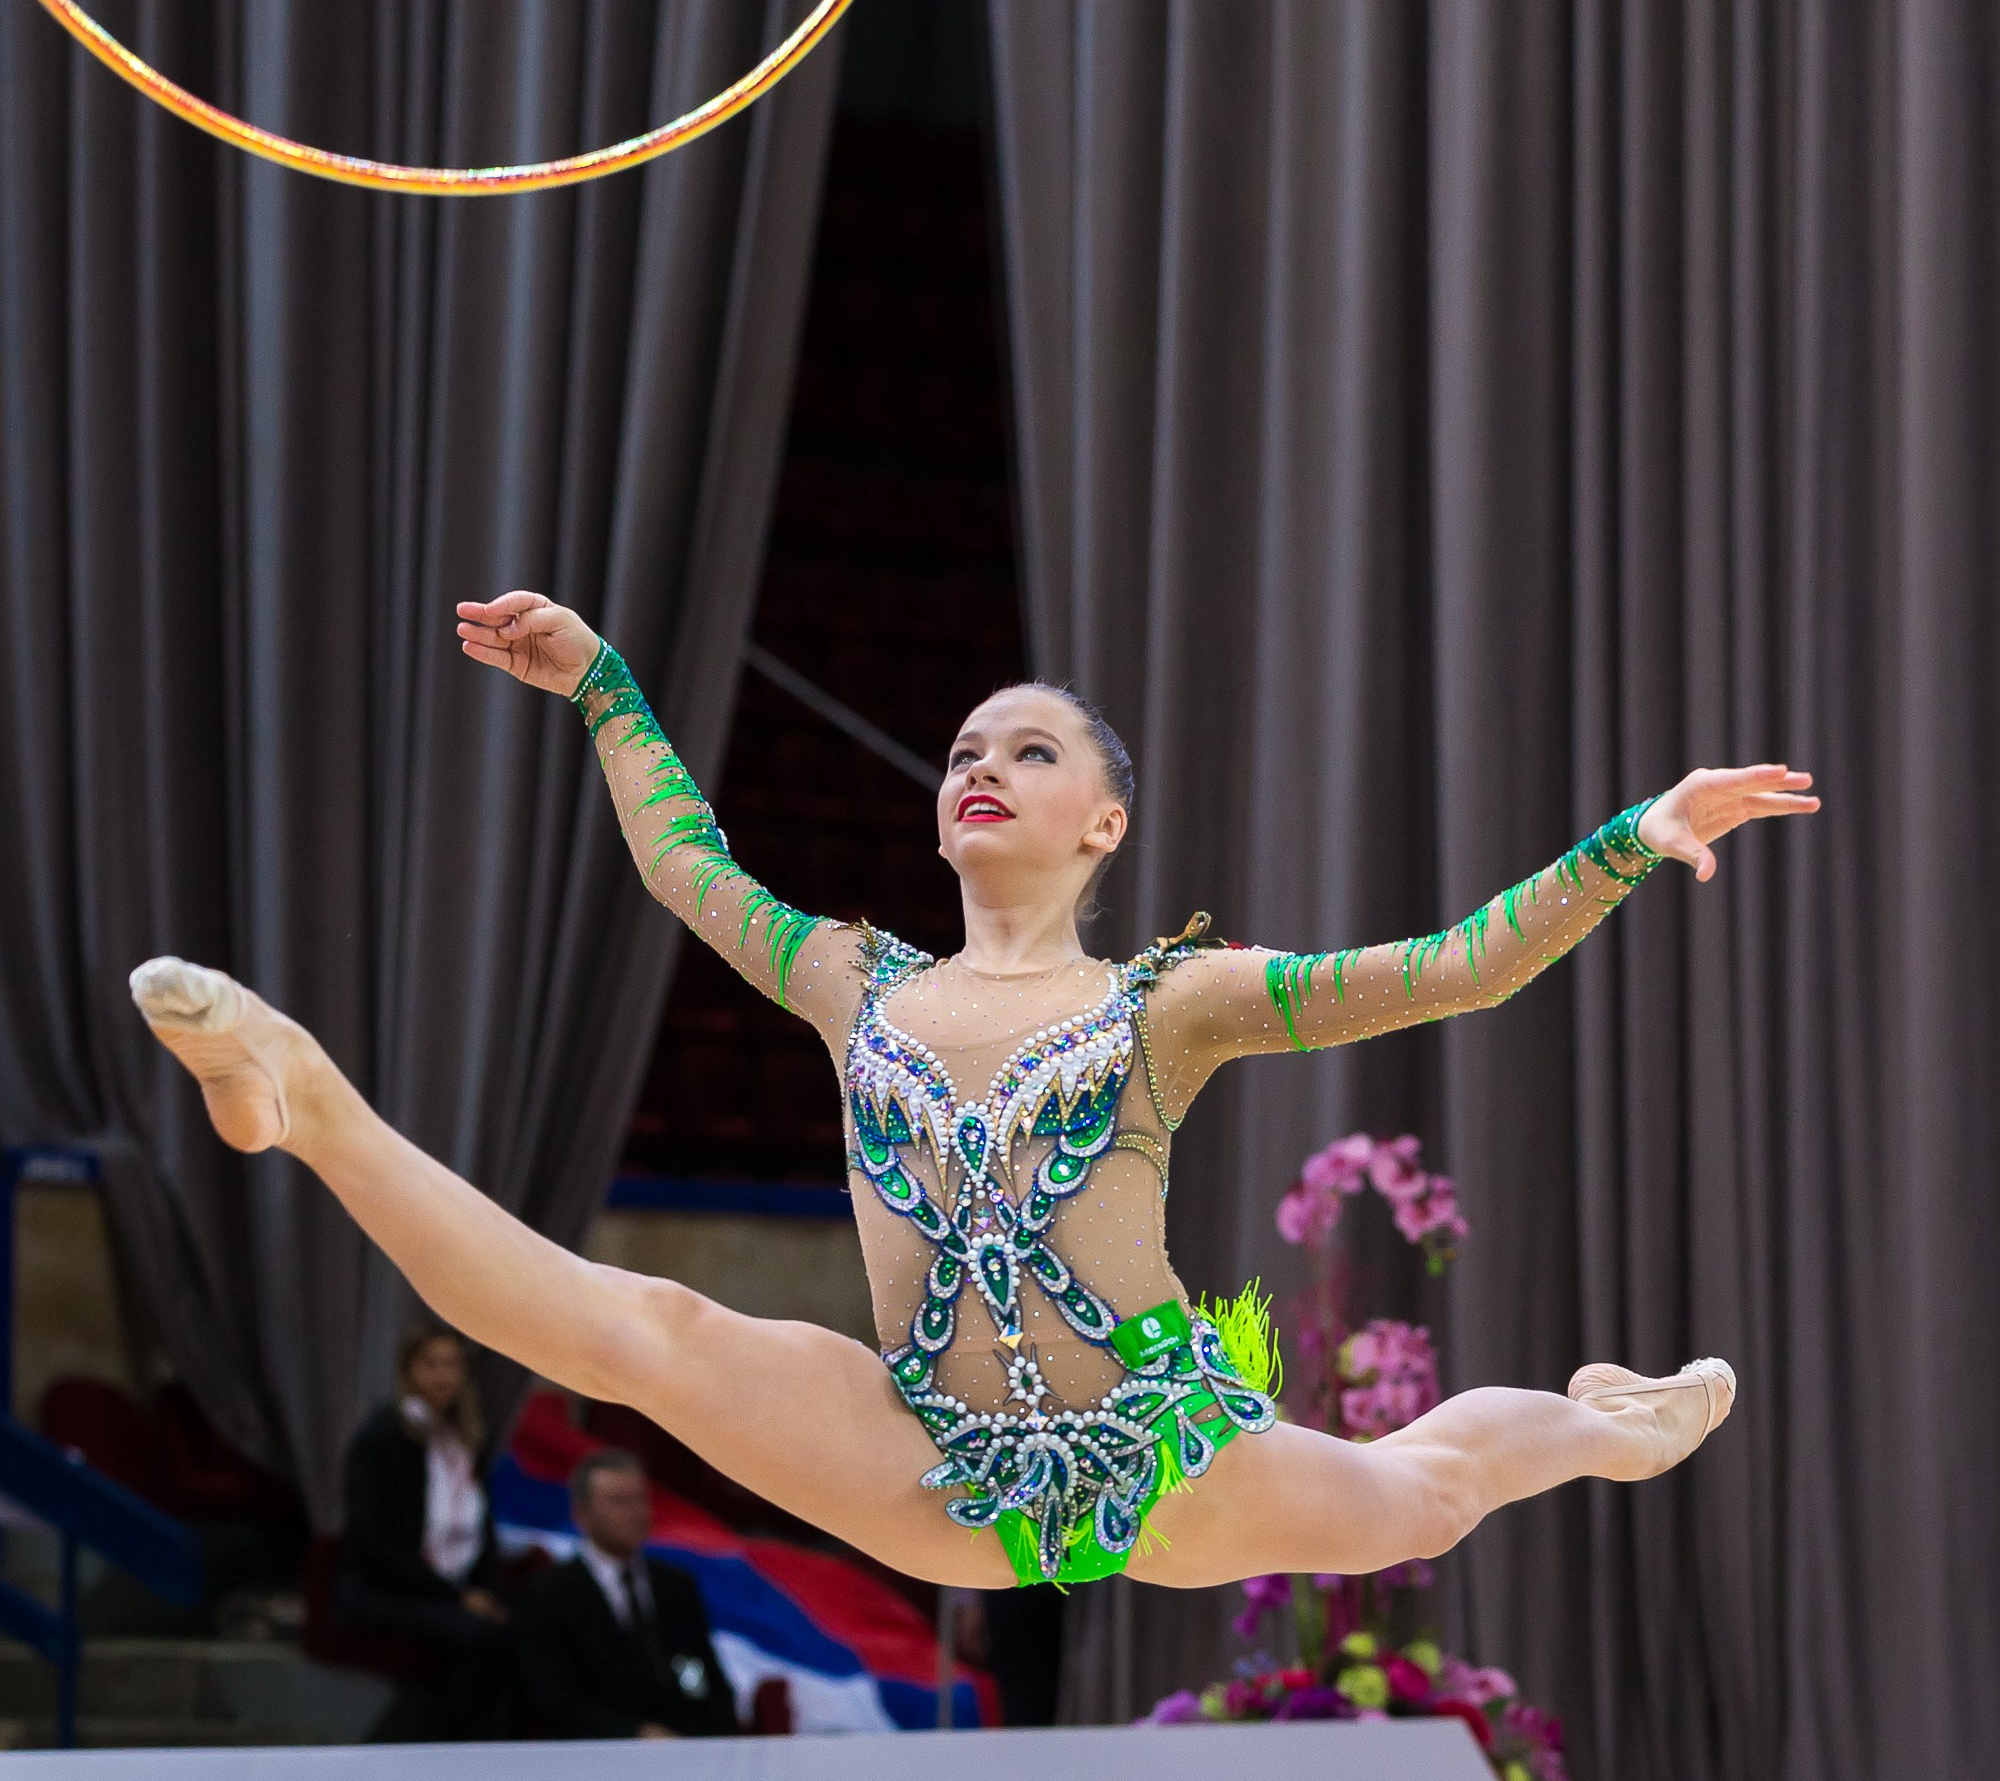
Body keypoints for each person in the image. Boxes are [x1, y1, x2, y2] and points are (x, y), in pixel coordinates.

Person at [129, 590, 1817, 1599]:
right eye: (961, 754)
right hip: (930, 1462)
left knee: (1425, 1494)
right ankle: (306, 1100)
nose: (981, 767)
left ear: (1104, 825)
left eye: (1029, 750)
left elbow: (1449, 969)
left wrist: (1630, 842)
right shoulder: (853, 983)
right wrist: (602, 686)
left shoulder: (1172, 1003)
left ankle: (1607, 1428)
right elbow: (685, 867)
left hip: (1169, 1457)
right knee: (647, 1333)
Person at [335, 1323, 513, 1736]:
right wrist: (458, 1597)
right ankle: (452, 1747)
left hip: (452, 1590)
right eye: (430, 1364)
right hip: (387, 1590)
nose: (442, 1376)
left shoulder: (466, 1440)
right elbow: (375, 1546)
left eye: (452, 1365)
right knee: (476, 1637)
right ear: (408, 1371)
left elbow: (482, 1533)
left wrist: (494, 1595)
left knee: (519, 1630)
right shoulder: (382, 1439)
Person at [514, 1450, 737, 1741]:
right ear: (582, 1514)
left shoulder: (675, 1586)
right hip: (598, 1752)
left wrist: (703, 1730)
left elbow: (695, 1670)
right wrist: (634, 1733)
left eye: (641, 1499)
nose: (636, 1512)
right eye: (619, 1501)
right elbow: (552, 1697)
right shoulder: (548, 1595)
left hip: (684, 1747)